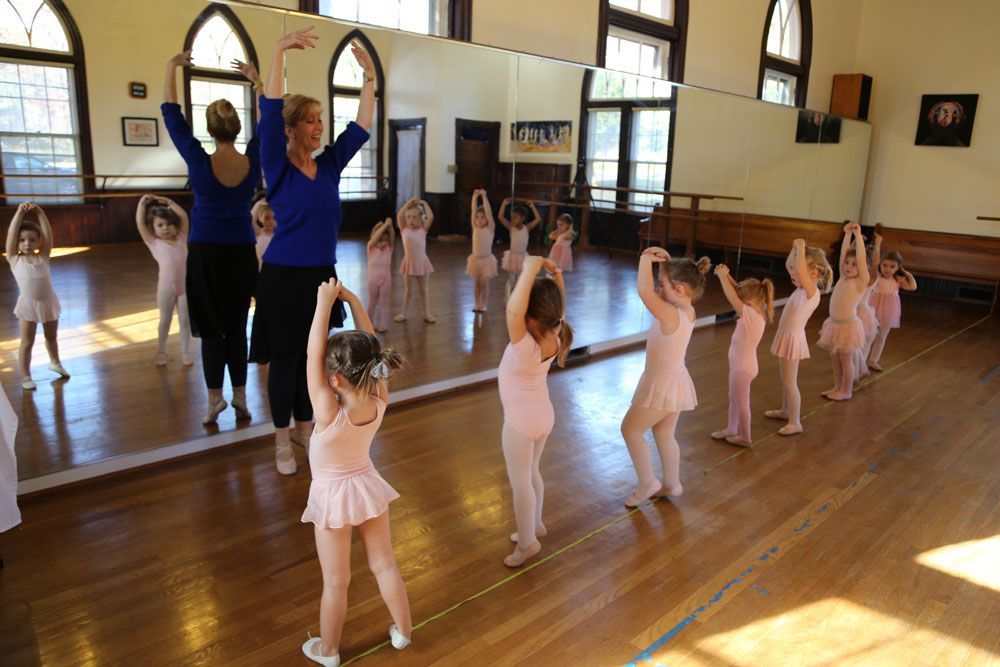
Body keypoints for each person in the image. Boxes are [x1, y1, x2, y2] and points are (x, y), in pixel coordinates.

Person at [250, 28, 374, 475]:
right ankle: (282, 440)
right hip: (282, 277)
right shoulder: (277, 166)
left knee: (317, 359)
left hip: (321, 277)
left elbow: (360, 127)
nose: (319, 127)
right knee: (284, 363)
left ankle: (307, 426)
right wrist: (279, 50)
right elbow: (267, 111)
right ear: (291, 128)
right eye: (310, 120)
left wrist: (369, 79)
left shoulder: (330, 166)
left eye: (321, 119)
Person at [300, 278, 411, 665]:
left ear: (334, 379)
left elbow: (312, 355)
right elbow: (370, 346)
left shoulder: (329, 413)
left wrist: (323, 302)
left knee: (336, 581)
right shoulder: (379, 399)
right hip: (366, 486)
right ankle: (403, 631)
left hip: (332, 499)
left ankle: (328, 651)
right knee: (384, 564)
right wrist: (355, 301)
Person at [162, 51, 261, 424]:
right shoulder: (253, 162)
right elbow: (268, 120)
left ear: (210, 127)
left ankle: (213, 401)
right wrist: (257, 81)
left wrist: (171, 67)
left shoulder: (198, 162)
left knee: (212, 332)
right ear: (236, 127)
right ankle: (240, 398)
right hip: (240, 255)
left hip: (205, 256)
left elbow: (171, 115)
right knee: (236, 327)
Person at [621, 248, 711, 507]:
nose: (659, 291)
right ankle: (672, 483)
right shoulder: (687, 310)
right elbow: (664, 289)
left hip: (661, 385)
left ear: (681, 288)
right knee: (664, 434)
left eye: (663, 285)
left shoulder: (671, 314)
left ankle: (647, 482)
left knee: (630, 430)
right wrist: (669, 263)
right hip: (674, 382)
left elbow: (644, 292)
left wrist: (643, 261)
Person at [499, 256, 572, 568]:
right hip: (543, 414)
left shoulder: (525, 345)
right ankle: (535, 524)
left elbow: (513, 310)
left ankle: (528, 543)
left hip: (520, 423)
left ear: (530, 315)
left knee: (521, 482)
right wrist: (557, 277)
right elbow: (557, 305)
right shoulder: (555, 332)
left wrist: (530, 269)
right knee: (532, 473)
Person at [765, 240, 833, 435]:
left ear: (813, 273)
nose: (794, 272)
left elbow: (801, 272)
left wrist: (802, 249)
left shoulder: (812, 292)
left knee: (790, 382)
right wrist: (795, 250)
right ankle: (786, 410)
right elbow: (789, 265)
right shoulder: (801, 289)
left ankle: (795, 422)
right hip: (786, 337)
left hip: (793, 340)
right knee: (785, 379)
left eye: (799, 269)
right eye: (795, 269)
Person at [5, 202, 69, 390]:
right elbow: (10, 234)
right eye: (23, 240)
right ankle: (25, 375)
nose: (27, 243)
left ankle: (55, 362)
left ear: (38, 242)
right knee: (27, 341)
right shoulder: (14, 259)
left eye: (32, 240)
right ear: (17, 242)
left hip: (48, 302)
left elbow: (48, 235)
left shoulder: (43, 256)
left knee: (51, 337)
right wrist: (19, 213)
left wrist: (40, 212)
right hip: (28, 305)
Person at [710, 266, 774, 446]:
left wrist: (722, 277)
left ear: (750, 302)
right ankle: (731, 428)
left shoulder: (751, 315)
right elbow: (737, 291)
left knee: (742, 403)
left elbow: (732, 296)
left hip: (742, 368)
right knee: (734, 398)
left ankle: (746, 437)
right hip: (741, 366)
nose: (737, 305)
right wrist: (728, 276)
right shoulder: (756, 309)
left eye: (741, 302)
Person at [135, 194, 192, 366]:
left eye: (169, 224)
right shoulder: (154, 243)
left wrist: (169, 202)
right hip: (166, 288)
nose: (165, 228)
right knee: (165, 319)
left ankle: (185, 352)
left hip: (184, 288)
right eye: (160, 225)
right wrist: (141, 204)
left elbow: (183, 216)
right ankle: (161, 350)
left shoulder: (182, 238)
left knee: (185, 321)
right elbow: (140, 223)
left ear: (175, 227)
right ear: (153, 229)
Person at [817, 223, 869, 401]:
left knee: (846, 360)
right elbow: (843, 254)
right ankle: (837, 386)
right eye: (847, 263)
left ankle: (847, 390)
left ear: (862, 268)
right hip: (834, 324)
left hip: (848, 327)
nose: (848, 266)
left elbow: (861, 258)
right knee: (834, 357)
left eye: (853, 265)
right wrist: (847, 235)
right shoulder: (844, 276)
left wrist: (859, 234)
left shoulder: (861, 282)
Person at [867, 248, 918, 371]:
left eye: (892, 266)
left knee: (882, 336)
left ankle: (874, 361)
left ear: (898, 267)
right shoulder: (877, 277)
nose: (887, 269)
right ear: (880, 264)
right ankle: (860, 360)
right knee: (869, 335)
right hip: (873, 307)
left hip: (889, 310)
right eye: (884, 265)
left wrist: (907, 274)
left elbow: (913, 287)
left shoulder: (897, 280)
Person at [393, 197, 436, 323]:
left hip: (422, 263)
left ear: (421, 219)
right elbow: (400, 216)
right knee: (409, 291)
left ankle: (426, 313)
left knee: (423, 290)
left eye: (415, 217)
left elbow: (431, 217)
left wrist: (425, 203)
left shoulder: (423, 229)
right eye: (409, 217)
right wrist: (407, 203)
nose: (411, 220)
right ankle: (404, 314)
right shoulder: (404, 230)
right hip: (409, 264)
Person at [498, 198, 542, 296]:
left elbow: (538, 219)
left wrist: (532, 206)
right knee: (512, 279)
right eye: (511, 217)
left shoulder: (527, 228)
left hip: (523, 257)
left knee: (521, 279)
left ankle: (518, 298)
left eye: (515, 217)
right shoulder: (510, 227)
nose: (512, 219)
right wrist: (503, 204)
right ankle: (508, 299)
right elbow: (500, 217)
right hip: (513, 256)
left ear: (522, 218)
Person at [854, 233, 881, 383]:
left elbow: (876, 264)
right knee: (856, 345)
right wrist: (855, 243)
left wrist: (877, 243)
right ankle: (857, 369)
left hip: (862, 314)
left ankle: (859, 370)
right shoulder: (855, 276)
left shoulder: (870, 277)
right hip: (853, 312)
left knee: (862, 344)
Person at [465, 188, 498, 313]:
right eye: (477, 217)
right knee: (477, 284)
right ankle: (476, 303)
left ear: (487, 219)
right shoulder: (475, 228)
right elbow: (473, 211)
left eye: (482, 217)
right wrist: (474, 198)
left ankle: (483, 304)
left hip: (486, 261)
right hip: (475, 259)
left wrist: (484, 197)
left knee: (484, 284)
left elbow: (488, 212)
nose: (479, 219)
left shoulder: (490, 228)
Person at [366, 219, 394, 333]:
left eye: (386, 240)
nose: (383, 243)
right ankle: (368, 324)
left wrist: (389, 226)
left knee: (384, 302)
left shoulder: (389, 248)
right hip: (373, 281)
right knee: (372, 302)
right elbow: (374, 238)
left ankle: (384, 324)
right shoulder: (370, 247)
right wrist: (384, 226)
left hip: (385, 280)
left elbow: (392, 234)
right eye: (380, 240)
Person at [253, 198, 277, 269]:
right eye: (267, 218)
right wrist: (258, 204)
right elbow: (249, 221)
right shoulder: (259, 233)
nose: (271, 221)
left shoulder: (281, 234)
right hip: (263, 271)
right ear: (259, 218)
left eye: (274, 217)